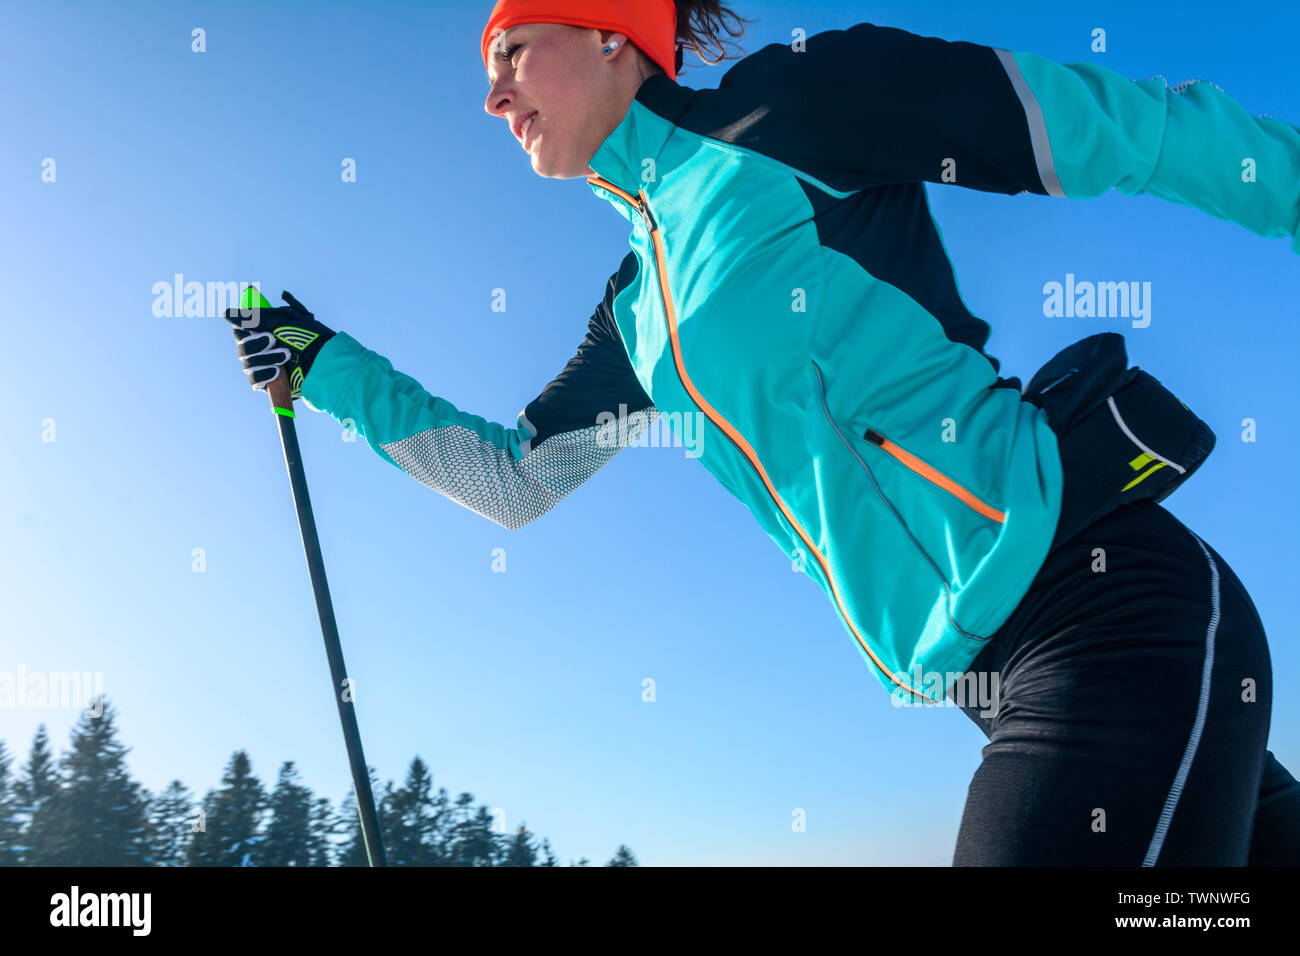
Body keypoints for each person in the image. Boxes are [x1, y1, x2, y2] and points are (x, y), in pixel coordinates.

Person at [223, 0, 1300, 865]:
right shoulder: (638, 314)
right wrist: (325, 366)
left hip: (1100, 611)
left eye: (512, 51)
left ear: (610, 34)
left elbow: (1115, 127)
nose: (493, 93)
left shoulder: (790, 108)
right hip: (992, 680)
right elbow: (513, 480)